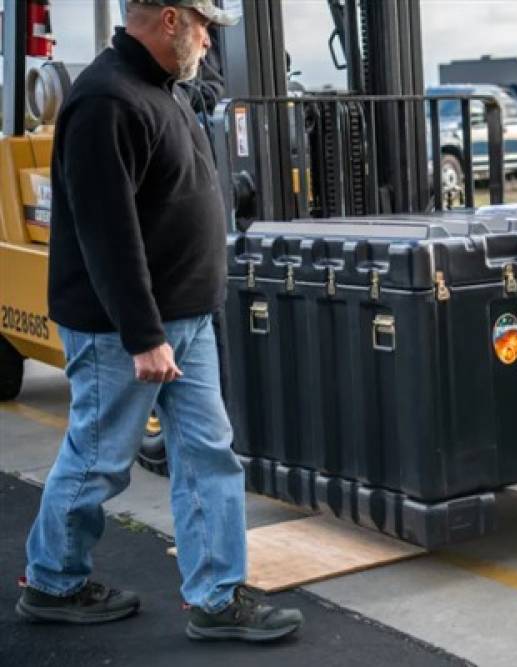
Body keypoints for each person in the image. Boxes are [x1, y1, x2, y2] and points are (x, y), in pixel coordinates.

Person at [16, 0, 303, 643]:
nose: (207, 41)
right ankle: (53, 583)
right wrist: (143, 336)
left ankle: (216, 597)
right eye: (202, 28)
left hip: (187, 318)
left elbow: (207, 90)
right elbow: (106, 235)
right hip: (126, 329)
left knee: (208, 457)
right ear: (170, 20)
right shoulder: (107, 101)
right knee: (98, 460)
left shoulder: (163, 86)